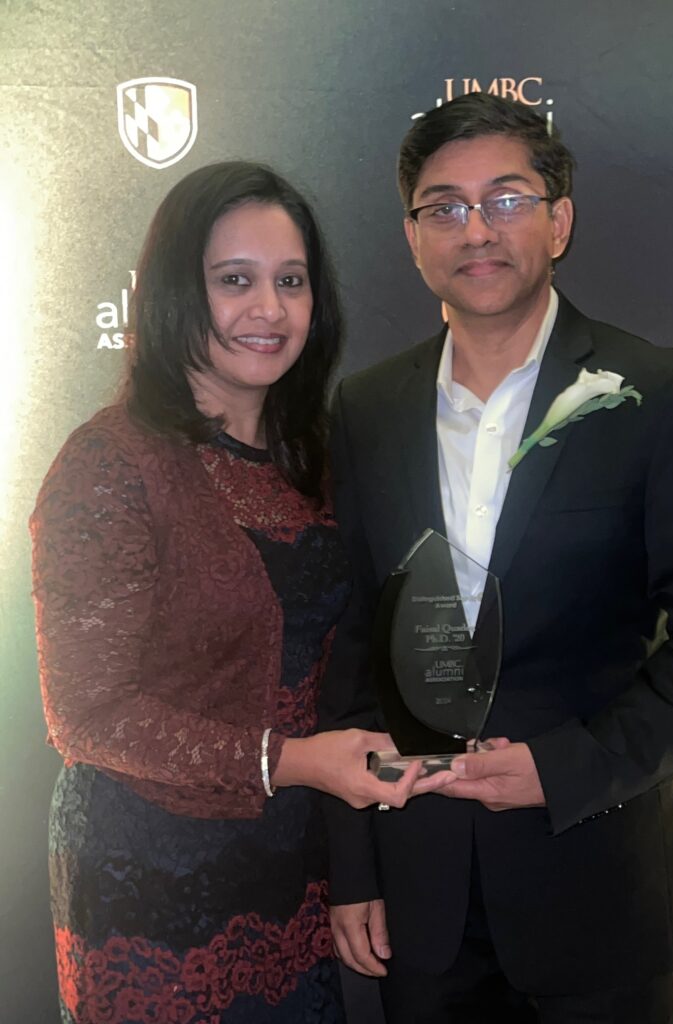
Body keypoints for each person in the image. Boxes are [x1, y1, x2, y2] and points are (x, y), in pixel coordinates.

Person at [320, 94, 673, 1023]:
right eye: (443, 207)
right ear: (412, 237)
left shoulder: (663, 393)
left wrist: (567, 768)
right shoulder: (366, 411)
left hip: (605, 893)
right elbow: (352, 643)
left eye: (507, 199)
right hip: (422, 903)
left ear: (559, 222)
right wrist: (353, 866)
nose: (475, 229)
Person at [29, 161, 424, 1024]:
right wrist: (288, 762)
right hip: (150, 879)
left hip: (290, 863)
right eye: (234, 282)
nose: (270, 310)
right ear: (177, 292)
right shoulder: (110, 463)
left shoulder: (313, 458)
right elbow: (85, 717)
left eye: (291, 281)